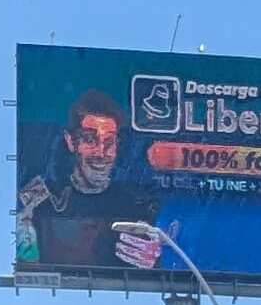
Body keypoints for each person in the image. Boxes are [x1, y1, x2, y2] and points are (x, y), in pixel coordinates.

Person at [14, 87, 171, 272]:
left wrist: (155, 262)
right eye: (90, 140)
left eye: (109, 142)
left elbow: (167, 256)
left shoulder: (137, 205)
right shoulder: (40, 198)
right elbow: (27, 264)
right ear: (71, 142)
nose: (101, 153)